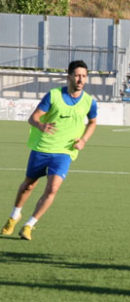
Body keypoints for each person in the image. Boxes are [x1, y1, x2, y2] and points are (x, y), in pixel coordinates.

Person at [1, 60, 98, 240]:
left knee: (52, 189)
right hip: (42, 147)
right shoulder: (53, 95)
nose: (80, 79)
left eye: (84, 76)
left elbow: (92, 122)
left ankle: (29, 225)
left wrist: (84, 140)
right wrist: (41, 125)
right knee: (29, 185)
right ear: (69, 76)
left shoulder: (89, 102)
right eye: (77, 75)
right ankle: (14, 216)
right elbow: (33, 118)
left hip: (65, 151)